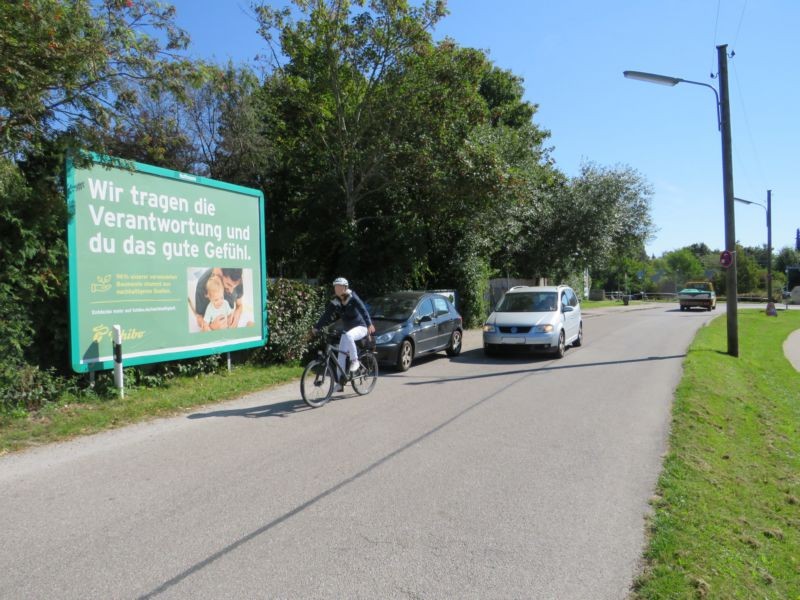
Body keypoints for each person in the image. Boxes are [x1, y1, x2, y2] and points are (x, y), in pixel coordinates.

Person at [313, 277, 375, 387]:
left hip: (361, 327)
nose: (336, 289)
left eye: (339, 287)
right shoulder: (336, 301)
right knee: (341, 355)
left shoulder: (352, 297)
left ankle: (355, 361)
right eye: (335, 287)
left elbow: (363, 310)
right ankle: (340, 383)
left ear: (345, 288)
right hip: (348, 330)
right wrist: (317, 327)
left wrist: (369, 324)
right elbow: (326, 315)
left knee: (349, 336)